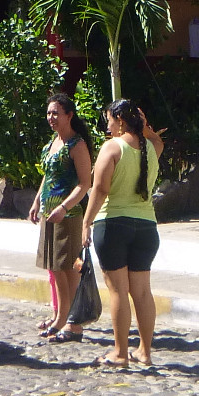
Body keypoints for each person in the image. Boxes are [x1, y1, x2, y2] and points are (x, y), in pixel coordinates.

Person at [80, 99, 162, 370]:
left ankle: (120, 353)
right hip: (147, 227)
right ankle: (145, 352)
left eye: (110, 120)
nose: (108, 126)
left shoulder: (112, 148)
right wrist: (145, 127)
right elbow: (153, 139)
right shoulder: (152, 148)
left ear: (121, 121)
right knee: (142, 292)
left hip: (113, 223)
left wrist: (86, 222)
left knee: (118, 291)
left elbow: (100, 189)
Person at [28, 92, 93, 342]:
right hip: (48, 213)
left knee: (67, 268)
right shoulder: (53, 143)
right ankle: (59, 315)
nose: (51, 117)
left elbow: (85, 183)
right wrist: (37, 202)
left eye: (56, 113)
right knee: (54, 267)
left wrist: (64, 207)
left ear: (69, 115)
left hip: (69, 215)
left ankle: (69, 319)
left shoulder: (77, 146)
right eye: (49, 113)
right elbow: (48, 176)